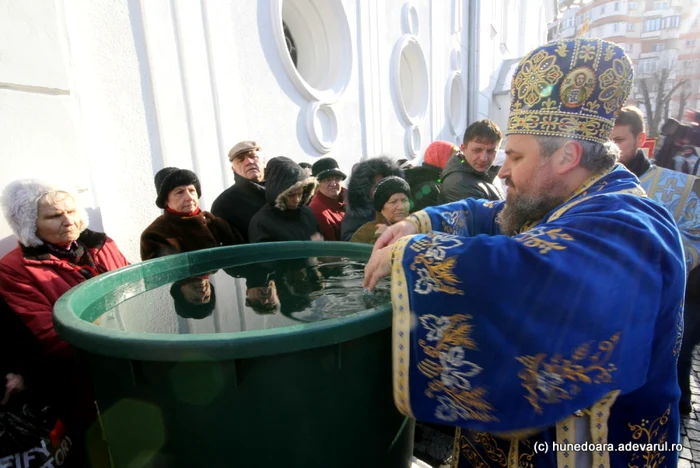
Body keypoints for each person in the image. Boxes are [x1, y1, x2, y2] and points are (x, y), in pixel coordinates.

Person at [363, 38, 685, 468]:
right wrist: (419, 222)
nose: (503, 170)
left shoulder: (629, 222)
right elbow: (495, 212)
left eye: (515, 155)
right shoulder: (572, 196)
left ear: (567, 156)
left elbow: (538, 270)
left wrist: (412, 256)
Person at [0, 179, 130, 458]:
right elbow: (49, 335)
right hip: (82, 382)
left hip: (131, 361)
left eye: (71, 211)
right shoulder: (14, 270)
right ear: (28, 224)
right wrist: (116, 349)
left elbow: (135, 288)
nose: (68, 220)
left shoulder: (102, 244)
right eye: (54, 216)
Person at [611, 105, 700, 415]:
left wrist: (658, 265)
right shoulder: (587, 184)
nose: (611, 149)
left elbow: (693, 235)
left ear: (641, 138)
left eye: (619, 140)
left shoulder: (676, 187)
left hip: (654, 305)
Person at [141, 167, 242, 260]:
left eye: (191, 190)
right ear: (165, 201)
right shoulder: (154, 235)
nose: (189, 197)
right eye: (180, 192)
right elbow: (162, 276)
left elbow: (240, 254)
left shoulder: (213, 223)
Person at [248, 156, 322, 242]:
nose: (297, 200)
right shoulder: (261, 222)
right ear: (278, 193)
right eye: (291, 195)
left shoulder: (307, 213)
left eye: (300, 193)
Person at [211, 141, 267, 243]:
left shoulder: (287, 190)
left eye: (253, 156)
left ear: (264, 161)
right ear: (234, 169)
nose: (248, 162)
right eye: (240, 160)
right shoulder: (224, 203)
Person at [439, 120, 505, 203]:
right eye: (477, 150)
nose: (483, 158)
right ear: (463, 149)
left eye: (490, 151)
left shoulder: (490, 174)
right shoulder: (459, 184)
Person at [341, 156, 404, 241]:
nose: (382, 188)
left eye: (386, 183)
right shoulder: (355, 215)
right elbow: (350, 245)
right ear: (366, 189)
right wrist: (375, 234)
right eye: (376, 185)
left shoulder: (401, 206)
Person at [351, 176, 411, 245]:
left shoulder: (418, 229)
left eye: (404, 200)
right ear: (381, 206)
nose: (401, 207)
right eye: (393, 202)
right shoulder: (365, 233)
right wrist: (380, 238)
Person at [405, 140, 459, 212]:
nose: (458, 163)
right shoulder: (429, 189)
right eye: (453, 160)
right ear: (440, 159)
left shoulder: (437, 181)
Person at [309, 157, 347, 241]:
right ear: (317, 184)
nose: (333, 184)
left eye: (337, 178)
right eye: (327, 180)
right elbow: (331, 250)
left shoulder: (353, 199)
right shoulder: (318, 211)